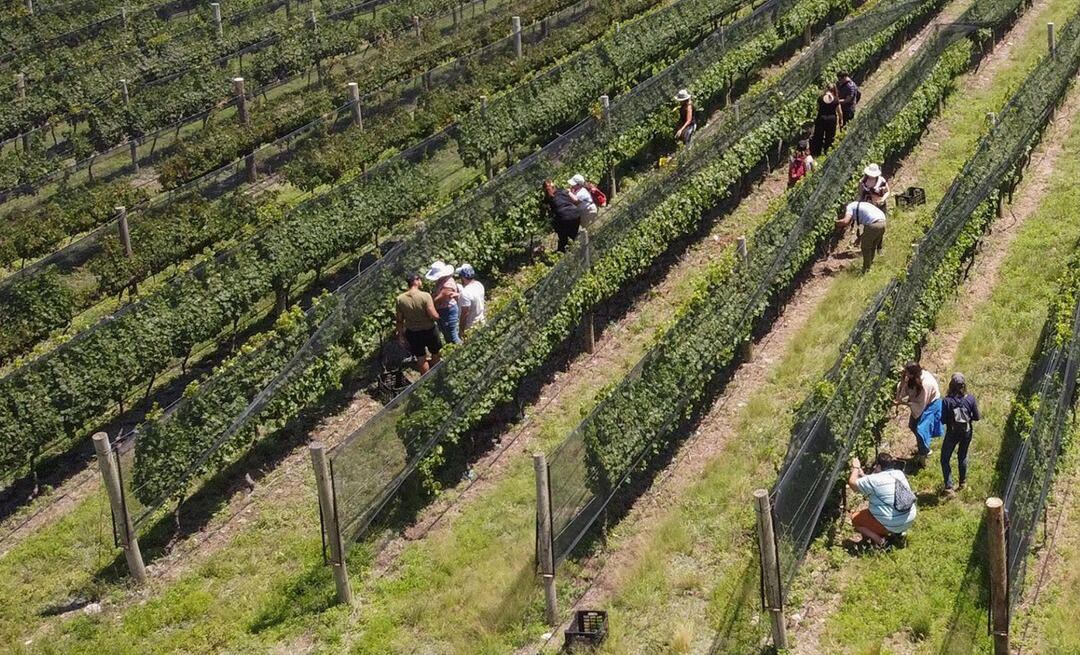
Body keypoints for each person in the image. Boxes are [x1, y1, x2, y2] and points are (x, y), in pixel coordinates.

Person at [848, 452, 918, 547]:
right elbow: (879, 480)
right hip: (909, 518)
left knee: (855, 518)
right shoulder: (899, 473)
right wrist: (863, 475)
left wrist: (856, 468)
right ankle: (898, 533)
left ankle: (881, 541)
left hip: (893, 523)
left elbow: (852, 484)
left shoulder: (874, 480)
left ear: (878, 466)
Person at [941, 372, 980, 493]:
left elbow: (943, 420)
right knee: (962, 456)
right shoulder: (970, 398)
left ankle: (949, 487)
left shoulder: (947, 401)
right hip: (966, 432)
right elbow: (977, 417)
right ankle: (962, 483)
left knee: (945, 459)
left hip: (952, 433)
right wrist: (968, 418)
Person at [894, 362, 943, 460]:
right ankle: (923, 447)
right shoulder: (912, 380)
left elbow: (920, 405)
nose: (905, 374)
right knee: (912, 425)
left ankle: (923, 453)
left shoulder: (925, 384)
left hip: (930, 404)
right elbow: (901, 396)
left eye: (907, 373)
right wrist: (902, 382)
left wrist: (903, 403)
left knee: (920, 430)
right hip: (921, 403)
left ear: (912, 374)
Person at [395, 273, 442, 374]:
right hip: (429, 330)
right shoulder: (425, 296)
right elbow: (433, 315)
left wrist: (400, 335)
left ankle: (426, 380)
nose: (421, 281)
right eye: (420, 279)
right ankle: (437, 375)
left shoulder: (400, 299)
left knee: (421, 358)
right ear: (416, 281)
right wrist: (439, 316)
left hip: (413, 332)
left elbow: (399, 320)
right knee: (435, 353)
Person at [835, 200, 886, 272]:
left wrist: (835, 223)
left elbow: (845, 221)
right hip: (883, 222)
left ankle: (866, 269)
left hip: (873, 224)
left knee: (865, 247)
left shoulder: (850, 207)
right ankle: (870, 264)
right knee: (872, 246)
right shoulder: (861, 205)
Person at [426, 260, 462, 346]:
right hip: (443, 311)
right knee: (447, 334)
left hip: (448, 310)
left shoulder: (448, 283)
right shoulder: (441, 281)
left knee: (452, 335)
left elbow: (442, 296)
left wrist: (430, 303)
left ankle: (461, 352)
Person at [543, 179, 581, 252]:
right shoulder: (564, 190)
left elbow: (545, 213)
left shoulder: (547, 198)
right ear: (554, 186)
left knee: (563, 236)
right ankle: (579, 250)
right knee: (574, 235)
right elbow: (576, 200)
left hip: (563, 216)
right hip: (575, 213)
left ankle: (562, 253)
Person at [810, 83, 842, 157]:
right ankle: (827, 151)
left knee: (818, 135)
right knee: (830, 136)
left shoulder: (820, 98)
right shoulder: (836, 100)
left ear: (826, 89)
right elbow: (839, 111)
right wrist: (841, 119)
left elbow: (817, 108)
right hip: (831, 119)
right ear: (834, 90)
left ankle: (817, 152)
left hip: (821, 118)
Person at [455, 263, 486, 335]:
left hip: (471, 327)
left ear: (463, 277)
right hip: (481, 321)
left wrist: (461, 330)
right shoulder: (479, 284)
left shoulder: (465, 293)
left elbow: (465, 313)